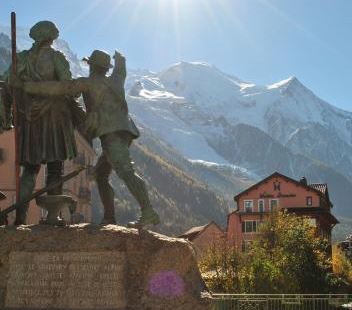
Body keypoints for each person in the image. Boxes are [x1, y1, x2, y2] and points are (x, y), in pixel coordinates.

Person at [17, 50, 160, 228]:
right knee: (101, 175)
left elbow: (60, 88)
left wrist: (29, 87)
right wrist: (119, 57)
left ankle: (148, 212)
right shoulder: (116, 80)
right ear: (106, 68)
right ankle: (109, 218)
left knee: (125, 171)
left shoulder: (89, 83)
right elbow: (121, 69)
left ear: (92, 66)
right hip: (125, 130)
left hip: (111, 133)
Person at [3, 21, 79, 225]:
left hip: (30, 120)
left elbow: (7, 83)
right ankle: (53, 217)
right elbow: (67, 87)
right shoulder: (57, 58)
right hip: (55, 118)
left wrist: (20, 96)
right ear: (51, 37)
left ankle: (20, 218)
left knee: (29, 170)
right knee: (55, 167)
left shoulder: (21, 59)